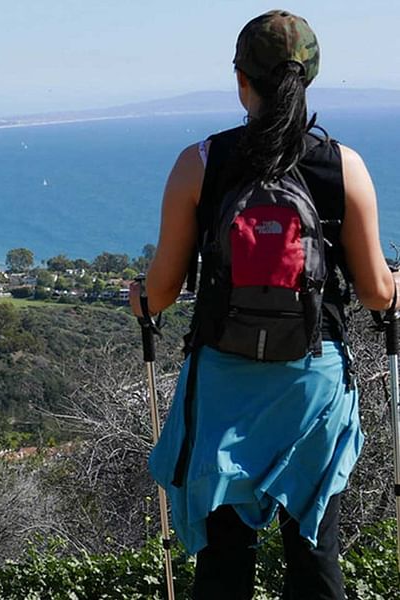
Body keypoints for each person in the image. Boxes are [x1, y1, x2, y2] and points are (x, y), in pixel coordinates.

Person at [129, 10, 400, 599]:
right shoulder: (344, 167)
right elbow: (377, 292)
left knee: (224, 562)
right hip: (313, 384)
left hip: (223, 383)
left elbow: (163, 290)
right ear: (309, 79)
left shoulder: (200, 163)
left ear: (240, 79)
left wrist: (140, 298)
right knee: (313, 551)